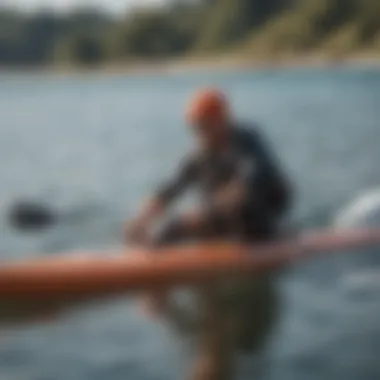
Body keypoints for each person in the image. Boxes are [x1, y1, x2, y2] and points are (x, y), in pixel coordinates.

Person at [126, 88, 292, 380]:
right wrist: (140, 220)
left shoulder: (248, 141)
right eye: (193, 126)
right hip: (223, 217)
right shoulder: (200, 152)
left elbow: (251, 183)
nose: (197, 132)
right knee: (168, 230)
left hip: (259, 216)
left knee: (241, 202)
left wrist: (205, 215)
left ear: (222, 121)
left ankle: (242, 239)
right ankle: (153, 284)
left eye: (202, 125)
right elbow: (172, 187)